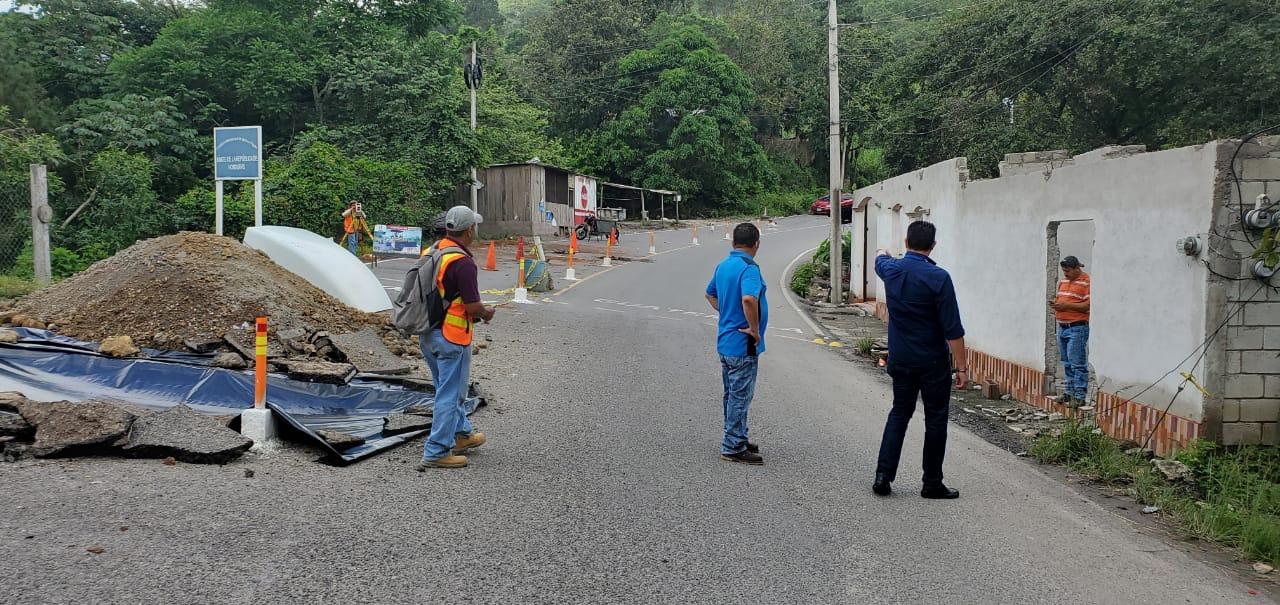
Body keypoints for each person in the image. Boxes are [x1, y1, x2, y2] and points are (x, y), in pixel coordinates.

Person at [872, 220, 967, 499]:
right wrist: (961, 367)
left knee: (899, 413)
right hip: (933, 362)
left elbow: (879, 259)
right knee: (935, 419)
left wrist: (881, 251)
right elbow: (953, 330)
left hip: (900, 359)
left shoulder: (891, 270)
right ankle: (932, 482)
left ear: (906, 242)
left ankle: (883, 476)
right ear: (933, 245)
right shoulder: (939, 278)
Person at [418, 206, 496, 469]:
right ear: (470, 229)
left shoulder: (434, 251)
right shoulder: (462, 263)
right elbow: (473, 308)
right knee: (451, 394)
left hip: (428, 333)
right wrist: (487, 313)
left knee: (445, 388)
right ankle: (437, 450)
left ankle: (462, 434)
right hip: (452, 336)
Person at [705, 223, 768, 465]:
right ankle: (732, 446)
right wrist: (753, 328)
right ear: (756, 244)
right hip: (744, 344)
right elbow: (749, 298)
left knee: (731, 394)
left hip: (726, 341)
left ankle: (738, 437)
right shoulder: (749, 268)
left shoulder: (723, 266)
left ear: (733, 243)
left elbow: (709, 293)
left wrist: (726, 311)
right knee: (740, 396)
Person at [1050, 256, 1091, 407]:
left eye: (1068, 271)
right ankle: (1069, 392)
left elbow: (1088, 306)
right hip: (1063, 327)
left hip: (1077, 327)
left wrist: (1066, 306)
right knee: (1066, 362)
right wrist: (1057, 304)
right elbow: (1064, 300)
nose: (1065, 274)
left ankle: (1080, 395)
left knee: (1077, 362)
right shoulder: (1064, 282)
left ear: (1077, 269)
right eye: (1064, 271)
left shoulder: (1086, 282)